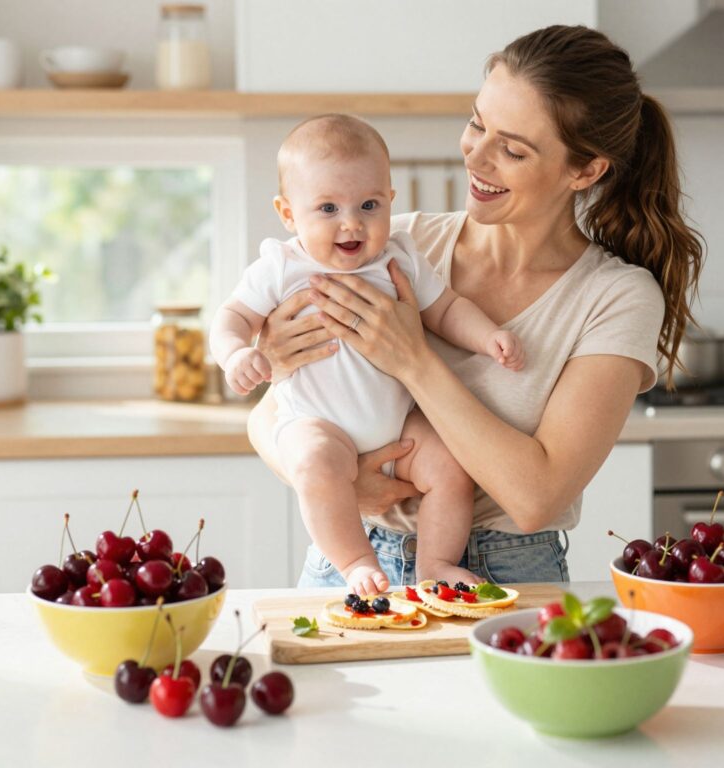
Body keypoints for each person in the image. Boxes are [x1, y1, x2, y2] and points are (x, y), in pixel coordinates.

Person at [248, 25, 703, 589]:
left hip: (501, 572)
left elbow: (535, 497)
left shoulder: (614, 298)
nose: (476, 157)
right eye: (476, 124)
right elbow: (268, 416)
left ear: (584, 170)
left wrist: (413, 358)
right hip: (347, 564)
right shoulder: (396, 245)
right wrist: (331, 475)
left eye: (512, 149)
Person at [211, 114, 525, 596]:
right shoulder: (281, 265)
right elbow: (231, 316)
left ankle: (436, 563)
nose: (352, 222)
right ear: (289, 213)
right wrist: (236, 354)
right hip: (316, 421)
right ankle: (356, 561)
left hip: (398, 424)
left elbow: (445, 310)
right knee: (315, 465)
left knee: (451, 466)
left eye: (369, 204)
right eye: (328, 208)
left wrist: (487, 337)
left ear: (390, 202)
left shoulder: (398, 256)